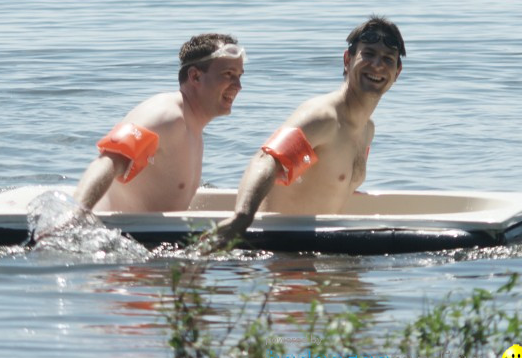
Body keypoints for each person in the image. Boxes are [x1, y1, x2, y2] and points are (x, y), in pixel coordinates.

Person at [210, 16, 405, 247]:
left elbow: (326, 180)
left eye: (387, 59)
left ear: (397, 72)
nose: (377, 65)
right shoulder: (323, 118)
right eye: (368, 54)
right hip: (280, 251)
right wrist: (241, 218)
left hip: (322, 251)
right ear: (347, 60)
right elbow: (267, 159)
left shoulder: (366, 130)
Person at [73, 33, 245, 214]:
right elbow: (108, 161)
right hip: (121, 233)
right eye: (228, 74)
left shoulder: (192, 125)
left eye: (239, 75)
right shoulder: (166, 116)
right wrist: (76, 215)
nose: (238, 85)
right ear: (195, 76)